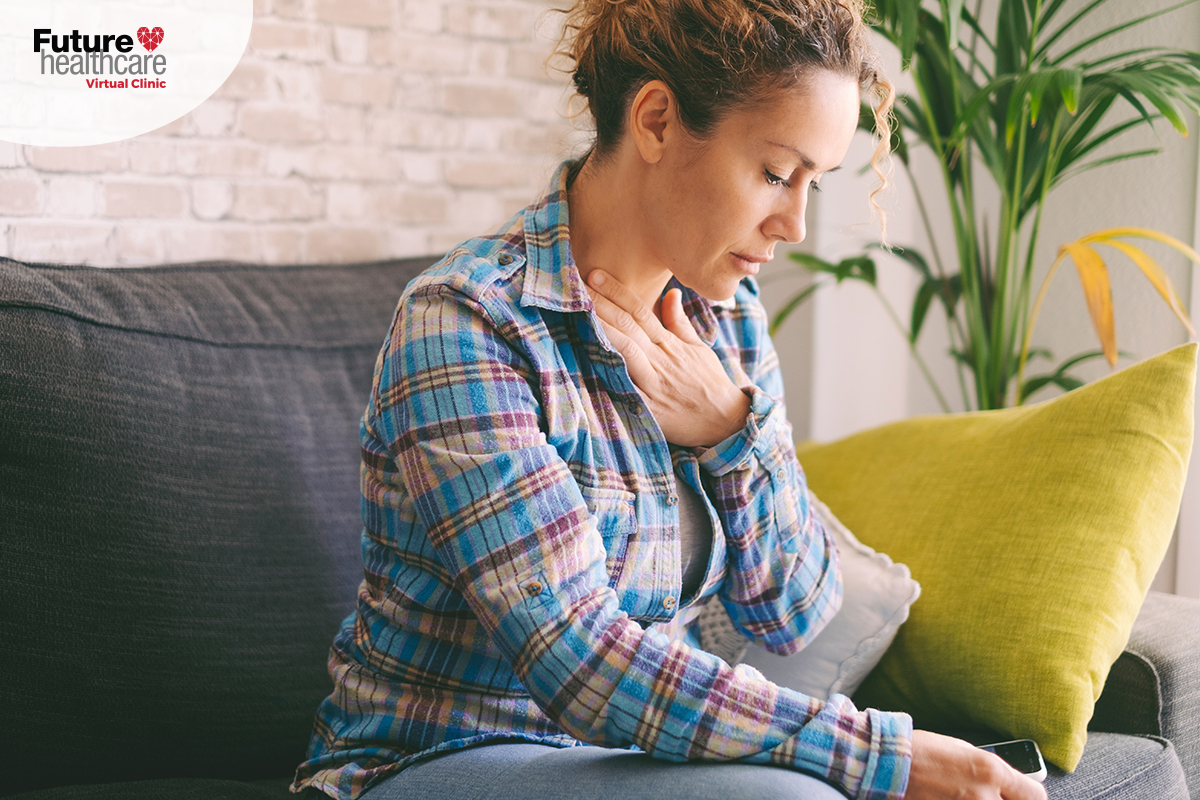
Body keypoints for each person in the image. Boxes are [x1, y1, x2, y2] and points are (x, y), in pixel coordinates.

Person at [291, 1, 1048, 798]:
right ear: (655, 120)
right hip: (431, 758)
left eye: (813, 185)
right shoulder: (467, 323)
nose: (793, 223)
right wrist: (876, 755)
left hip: (623, 762)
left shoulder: (727, 320)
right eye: (774, 174)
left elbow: (791, 614)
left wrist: (731, 429)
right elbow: (577, 657)